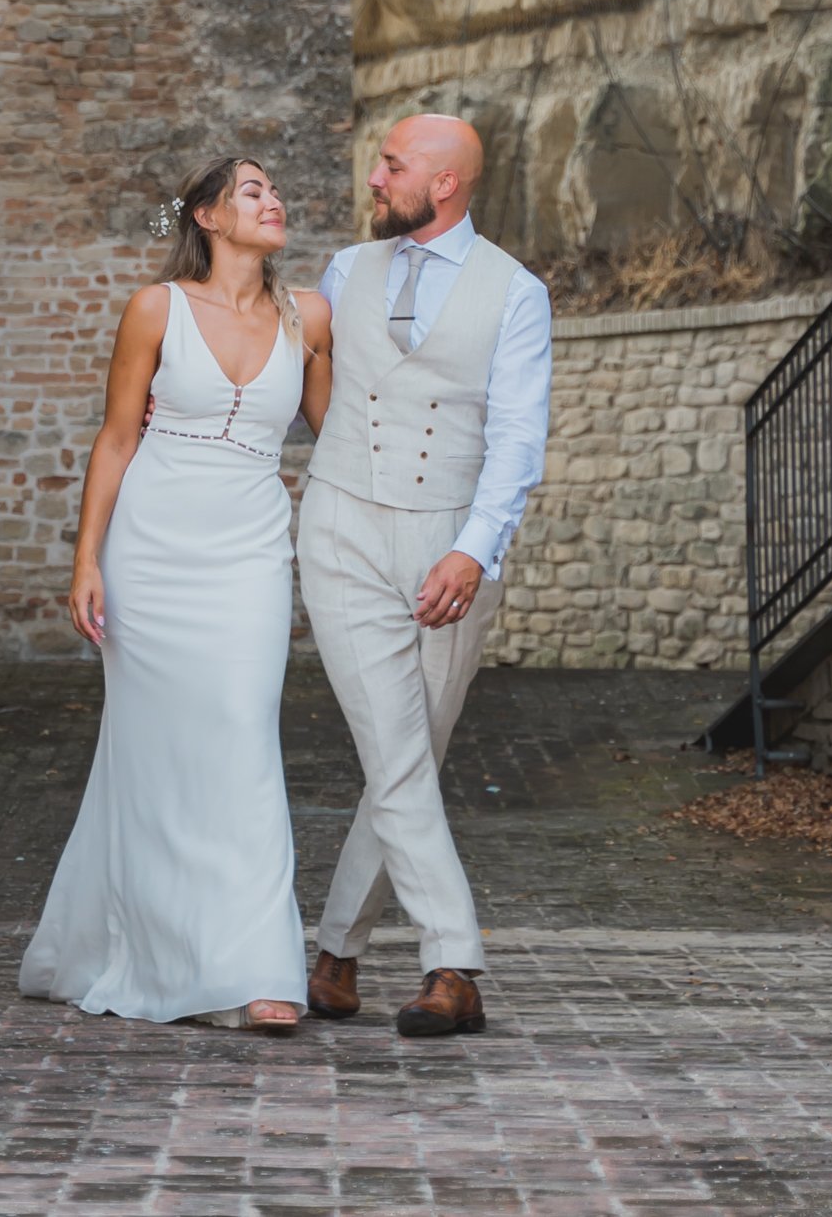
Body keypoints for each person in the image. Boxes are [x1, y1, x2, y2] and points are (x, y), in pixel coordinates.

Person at [20, 151, 333, 1029]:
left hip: (249, 553)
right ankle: (165, 957)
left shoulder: (309, 315)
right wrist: (86, 560)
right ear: (206, 217)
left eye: (275, 187)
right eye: (252, 191)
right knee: (154, 757)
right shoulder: (153, 309)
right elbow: (117, 440)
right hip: (150, 549)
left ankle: (258, 968)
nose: (273, 200)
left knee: (241, 735)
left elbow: (339, 431)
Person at [298, 112, 552, 1039]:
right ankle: (455, 963)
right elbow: (296, 369)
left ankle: (334, 958)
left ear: (442, 183)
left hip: (450, 542)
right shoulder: (343, 270)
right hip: (341, 527)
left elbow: (519, 439)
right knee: (394, 746)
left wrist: (472, 550)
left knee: (408, 752)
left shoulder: (515, 293)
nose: (375, 177)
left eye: (391, 164)